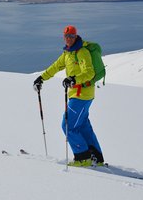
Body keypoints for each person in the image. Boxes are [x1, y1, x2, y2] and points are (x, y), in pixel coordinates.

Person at [33, 25, 104, 167]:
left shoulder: (82, 52)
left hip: (82, 95)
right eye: (66, 36)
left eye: (71, 36)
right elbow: (55, 67)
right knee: (82, 126)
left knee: (67, 125)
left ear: (76, 36)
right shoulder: (68, 53)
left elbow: (89, 73)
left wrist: (74, 79)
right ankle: (96, 157)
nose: (68, 39)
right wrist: (41, 78)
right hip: (77, 95)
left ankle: (82, 157)